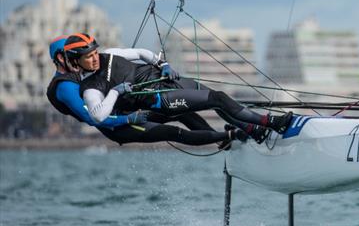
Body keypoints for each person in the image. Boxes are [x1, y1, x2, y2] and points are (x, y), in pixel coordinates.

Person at [62, 33, 293, 144]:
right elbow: (98, 116)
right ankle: (269, 122)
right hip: (160, 98)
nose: (94, 59)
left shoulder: (109, 54)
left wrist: (162, 64)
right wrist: (116, 91)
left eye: (93, 53)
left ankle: (251, 131)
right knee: (218, 98)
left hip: (167, 81)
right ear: (76, 61)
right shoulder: (91, 87)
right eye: (87, 57)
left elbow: (142, 53)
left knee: (214, 99)